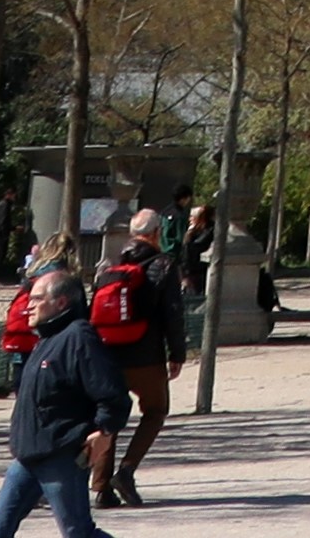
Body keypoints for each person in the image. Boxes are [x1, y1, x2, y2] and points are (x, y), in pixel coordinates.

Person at [0, 271, 128, 538]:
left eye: (37, 298)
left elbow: (112, 393)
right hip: (28, 454)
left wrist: (104, 430)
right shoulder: (47, 339)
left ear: (61, 302)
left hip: (61, 453)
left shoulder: (79, 337)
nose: (28, 305)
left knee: (78, 533)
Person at [90, 208, 178, 499]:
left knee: (110, 417)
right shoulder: (164, 265)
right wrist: (176, 353)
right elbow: (172, 313)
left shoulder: (109, 268)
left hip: (108, 355)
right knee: (155, 411)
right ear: (155, 234)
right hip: (147, 356)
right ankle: (126, 471)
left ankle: (101, 488)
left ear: (131, 234)